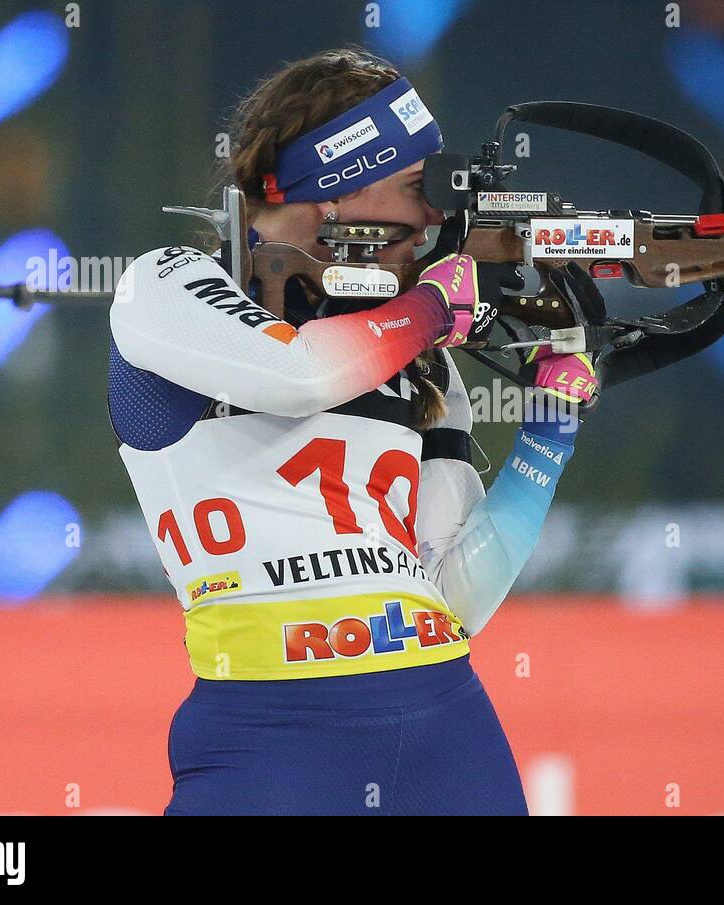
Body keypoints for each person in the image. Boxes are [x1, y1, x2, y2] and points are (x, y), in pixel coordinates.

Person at [107, 47, 599, 815]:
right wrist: (434, 310)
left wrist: (546, 435)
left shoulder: (420, 357)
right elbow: (300, 373)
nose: (437, 217)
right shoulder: (166, 283)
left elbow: (454, 599)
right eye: (415, 186)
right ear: (333, 189)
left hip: (447, 727)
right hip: (266, 736)